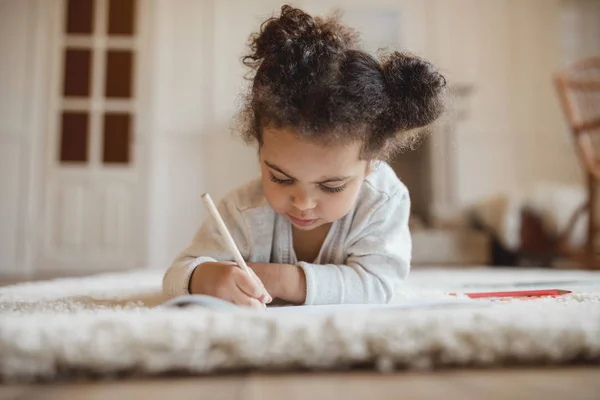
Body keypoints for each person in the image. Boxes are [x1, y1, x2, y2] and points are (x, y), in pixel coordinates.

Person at [162, 4, 446, 308]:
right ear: (260, 150)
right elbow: (176, 275)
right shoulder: (242, 212)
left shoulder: (382, 201)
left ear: (370, 165)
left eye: (332, 185)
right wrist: (206, 278)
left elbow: (378, 284)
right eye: (280, 177)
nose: (302, 203)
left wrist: (282, 279)